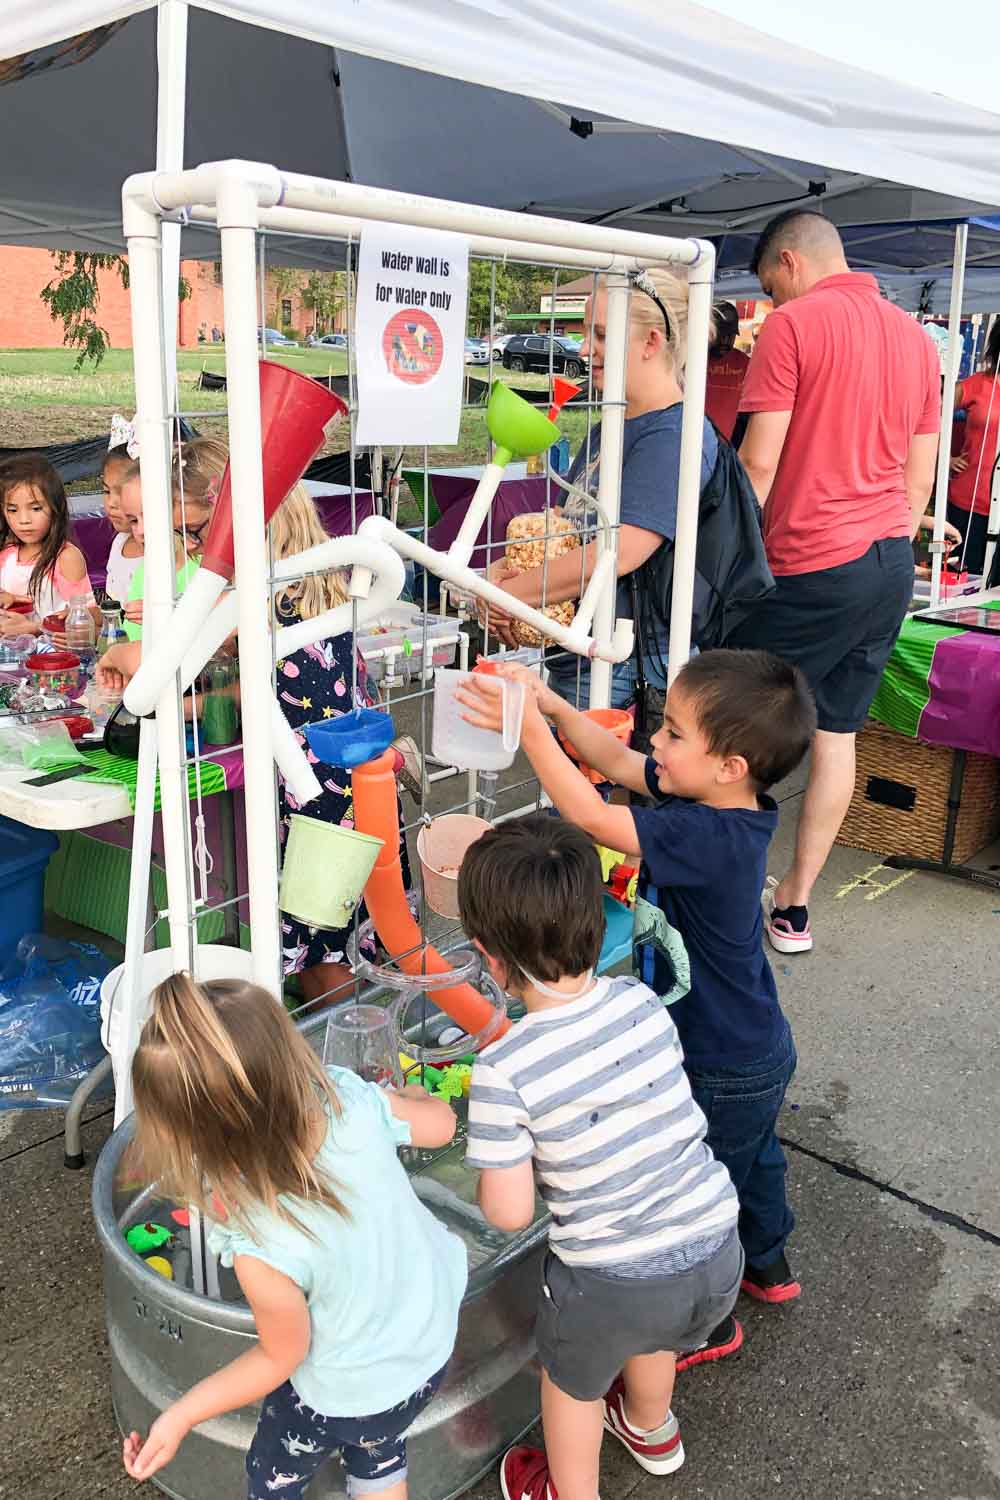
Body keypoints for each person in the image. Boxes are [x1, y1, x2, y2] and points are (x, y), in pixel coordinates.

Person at [459, 648, 816, 1364]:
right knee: (753, 1158)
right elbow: (619, 763)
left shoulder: (709, 836)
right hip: (752, 1039)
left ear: (730, 766)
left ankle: (709, 1321)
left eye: (675, 732)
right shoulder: (713, 800)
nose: (656, 740)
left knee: (708, 1176)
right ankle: (769, 1264)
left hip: (721, 1054)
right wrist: (556, 708)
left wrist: (530, 731)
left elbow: (593, 815)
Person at [460, 816, 740, 1500]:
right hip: (715, 1249)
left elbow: (510, 1212)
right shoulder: (642, 1003)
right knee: (655, 1333)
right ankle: (651, 1427)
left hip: (610, 1286)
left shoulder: (503, 1069)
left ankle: (569, 1491)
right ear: (598, 919)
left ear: (489, 958)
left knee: (571, 1381)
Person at [121, 972, 466, 1498]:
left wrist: (180, 1415)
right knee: (378, 1448)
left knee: (272, 1478)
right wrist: (411, 1095)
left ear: (187, 1138)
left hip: (341, 1393)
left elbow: (279, 1355)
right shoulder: (349, 1101)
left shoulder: (257, 1241)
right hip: (427, 1352)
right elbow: (442, 1126)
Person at [732, 210, 940, 954]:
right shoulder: (917, 339)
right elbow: (920, 477)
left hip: (809, 563)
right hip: (888, 564)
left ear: (789, 262)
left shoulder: (792, 327)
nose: (772, 302)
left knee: (738, 733)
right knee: (837, 732)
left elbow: (758, 464)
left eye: (769, 287)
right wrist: (883, 536)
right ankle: (793, 906)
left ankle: (725, 898)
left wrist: (721, 563)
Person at [482, 268, 718, 711]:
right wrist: (502, 573)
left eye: (602, 335)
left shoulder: (673, 436)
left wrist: (510, 596)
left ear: (651, 342)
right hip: (580, 655)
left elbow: (619, 553)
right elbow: (561, 532)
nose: (584, 349)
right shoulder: (609, 426)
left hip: (625, 666)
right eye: (586, 332)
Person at [268, 485, 414, 1003]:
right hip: (358, 777)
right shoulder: (331, 585)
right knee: (361, 922)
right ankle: (368, 1019)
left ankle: (340, 1036)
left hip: (315, 795)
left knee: (320, 941)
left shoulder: (269, 602)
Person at [122, 436, 226, 641]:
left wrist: (174, 617)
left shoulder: (212, 571)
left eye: (192, 529)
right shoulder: (144, 573)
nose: (141, 530)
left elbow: (227, 642)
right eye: (133, 520)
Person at [0, 453, 97, 634]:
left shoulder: (65, 557)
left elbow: (92, 615)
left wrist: (36, 628)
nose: (24, 520)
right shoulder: (6, 555)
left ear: (55, 507)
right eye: (12, 510)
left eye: (36, 508)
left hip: (51, 648)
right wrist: (8, 597)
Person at [947, 318, 1000, 575]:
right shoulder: (977, 384)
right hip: (969, 502)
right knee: (961, 580)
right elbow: (926, 413)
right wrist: (944, 458)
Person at [102, 444, 144, 605]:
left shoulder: (172, 555)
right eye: (107, 491)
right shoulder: (119, 542)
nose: (111, 503)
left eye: (121, 492)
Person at [704, 301, 750, 442]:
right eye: (720, 334)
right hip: (691, 443)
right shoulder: (694, 360)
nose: (724, 341)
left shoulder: (745, 363)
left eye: (730, 335)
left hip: (726, 446)